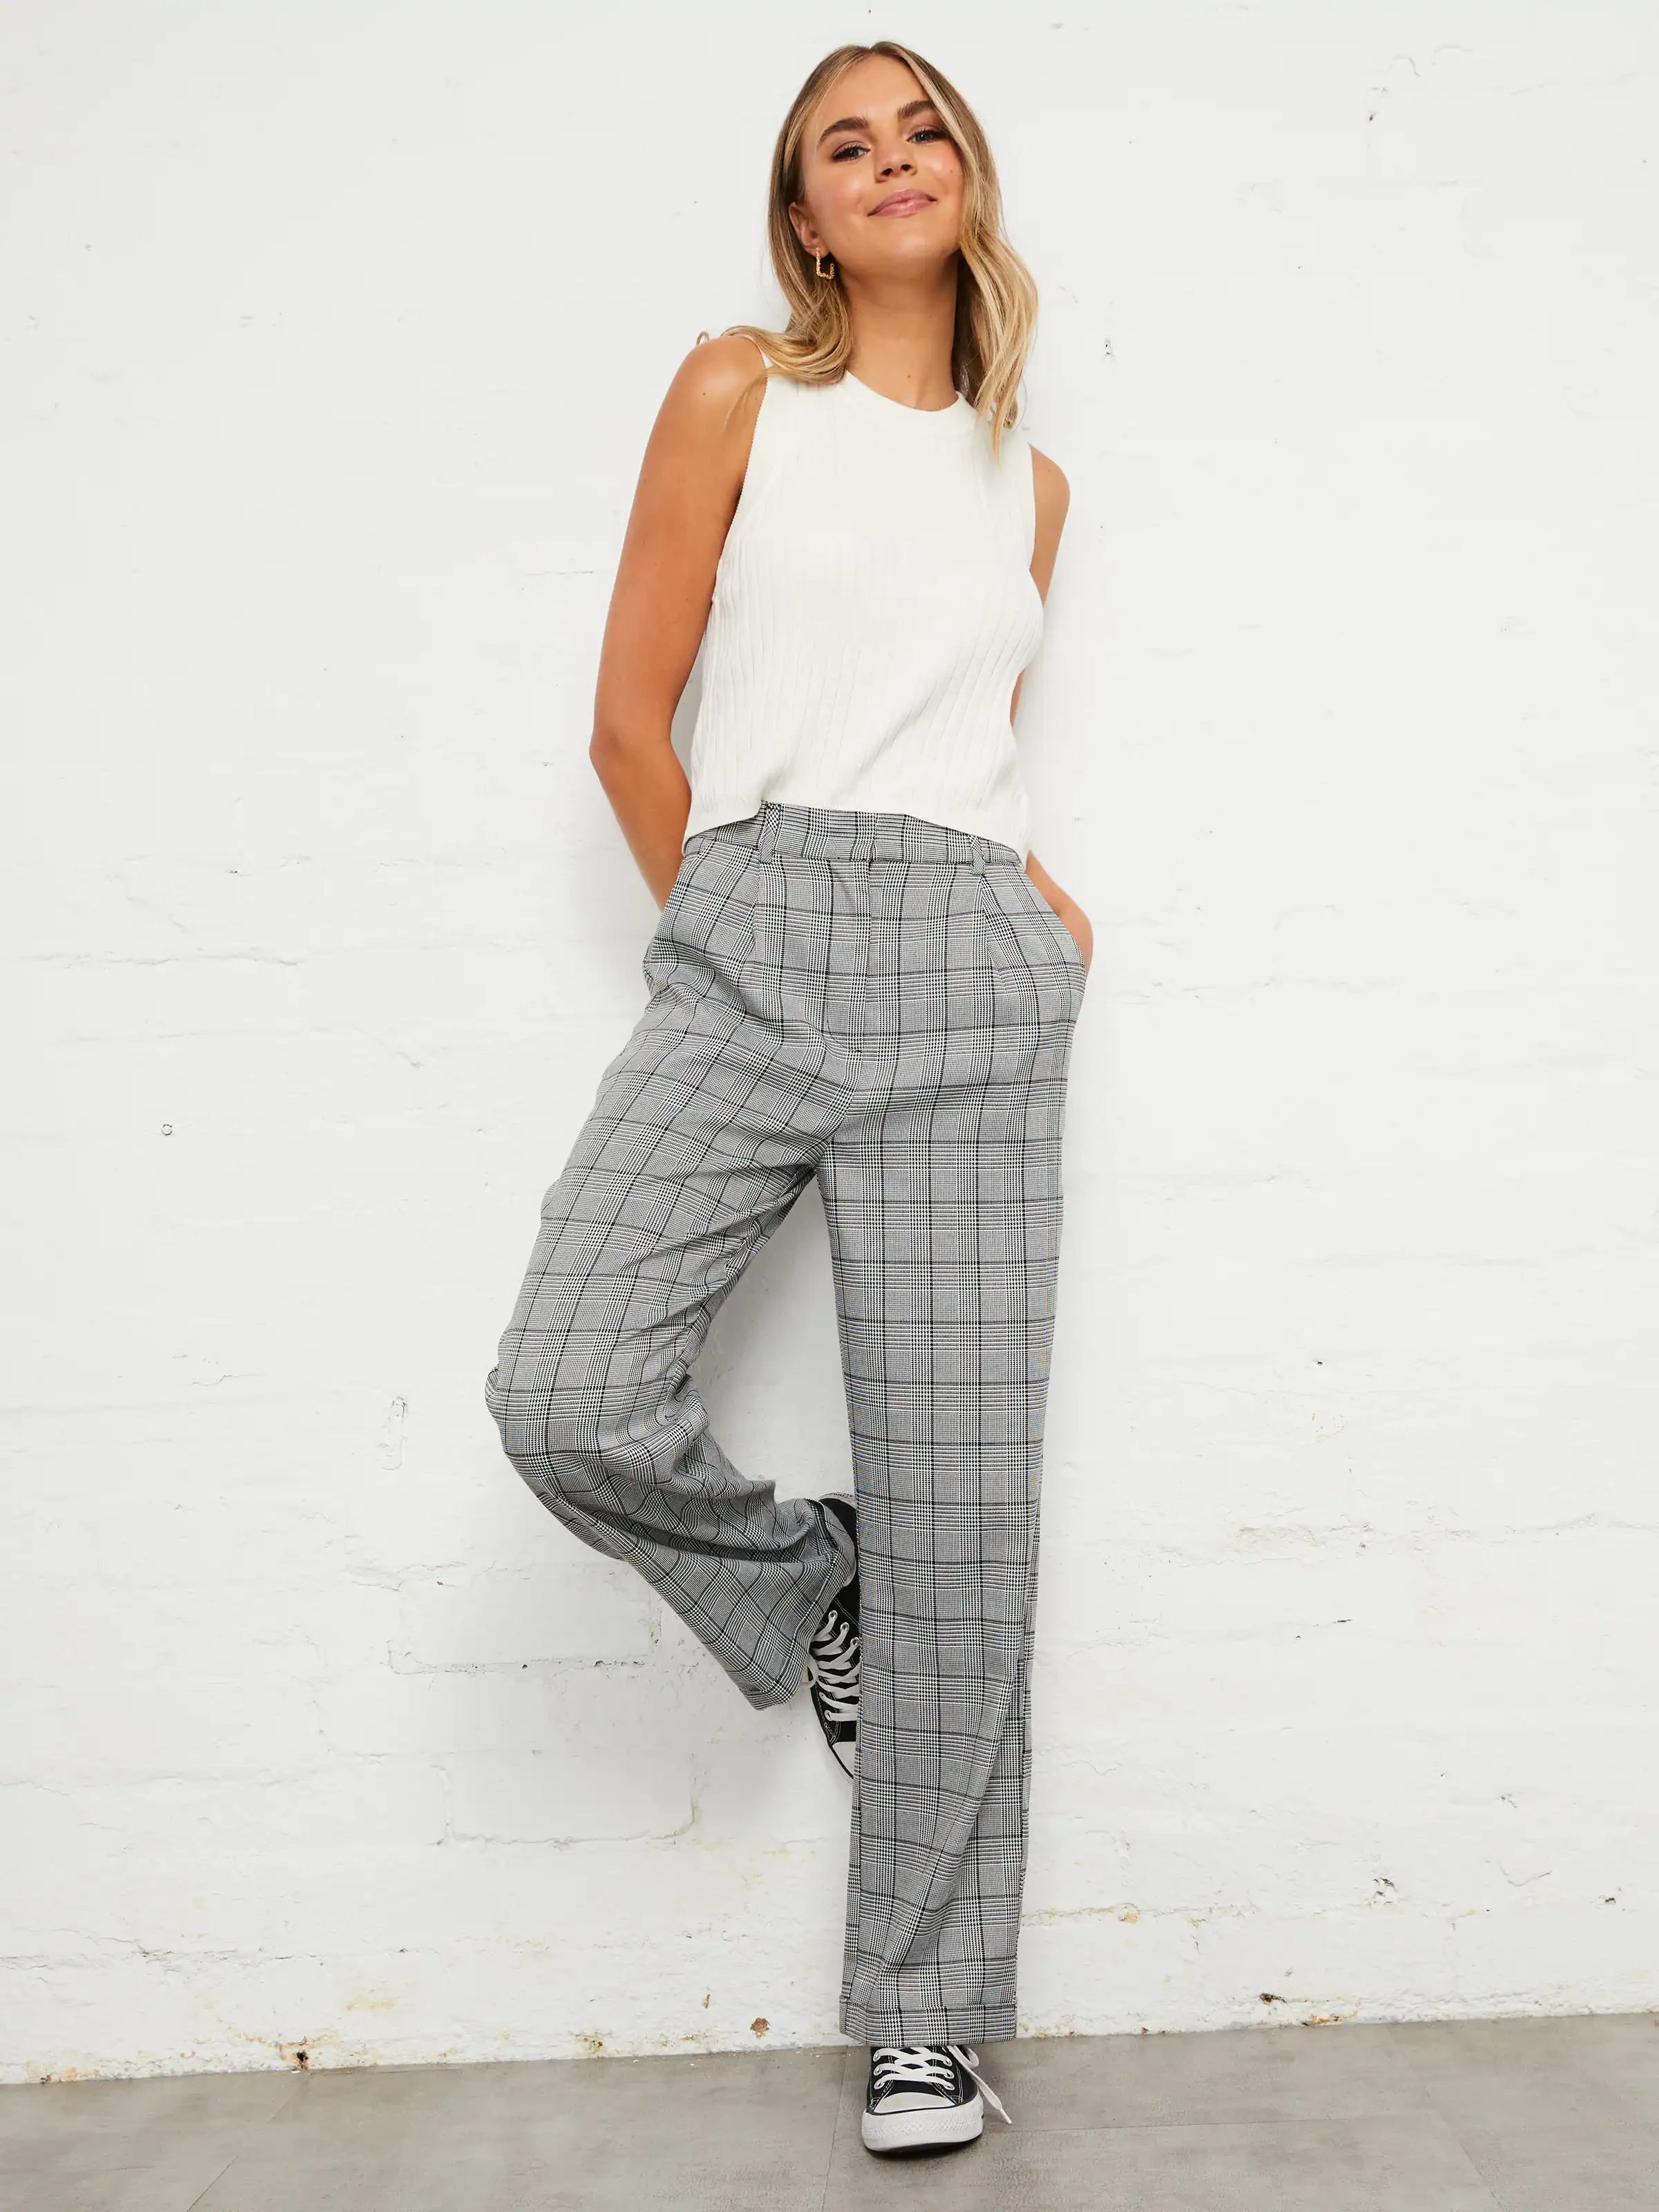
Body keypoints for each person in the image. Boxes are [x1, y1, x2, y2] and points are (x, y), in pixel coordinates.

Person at [485, 38, 1089, 2157]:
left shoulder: (1030, 485)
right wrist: (730, 939)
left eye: (923, 129)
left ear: (966, 178)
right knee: (567, 1389)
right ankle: (810, 1585)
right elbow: (629, 723)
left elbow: (960, 735)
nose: (893, 159)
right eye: (850, 143)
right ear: (806, 218)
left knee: (966, 1531)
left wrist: (1037, 927)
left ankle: (929, 2022)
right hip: (756, 928)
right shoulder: (739, 389)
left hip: (972, 978)